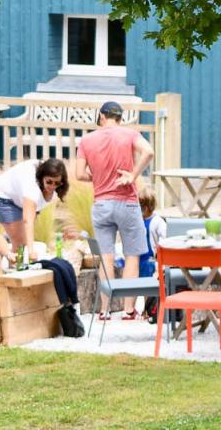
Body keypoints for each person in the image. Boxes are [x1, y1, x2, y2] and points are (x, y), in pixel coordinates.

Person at [74, 100, 154, 320]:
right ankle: (128, 310)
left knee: (106, 258)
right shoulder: (129, 134)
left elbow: (79, 174)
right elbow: (149, 152)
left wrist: (98, 177)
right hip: (127, 202)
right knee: (132, 256)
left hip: (101, 204)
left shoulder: (87, 140)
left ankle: (105, 310)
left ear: (101, 116)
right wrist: (133, 175)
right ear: (121, 118)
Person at [0, 158, 70, 256]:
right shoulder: (32, 186)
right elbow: (28, 220)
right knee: (20, 245)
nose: (53, 186)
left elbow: (34, 210)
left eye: (57, 183)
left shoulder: (53, 189)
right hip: (5, 197)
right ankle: (9, 261)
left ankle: (8, 239)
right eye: (49, 181)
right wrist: (31, 250)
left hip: (20, 196)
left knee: (22, 240)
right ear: (42, 178)